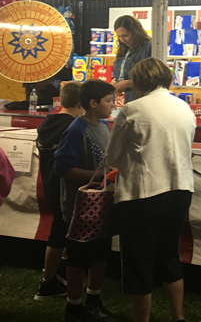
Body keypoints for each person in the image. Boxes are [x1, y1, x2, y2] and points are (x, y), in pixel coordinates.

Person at [106, 57, 196, 322]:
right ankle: (178, 316)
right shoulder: (184, 108)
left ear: (139, 82)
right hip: (180, 189)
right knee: (169, 254)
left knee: (138, 260)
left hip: (142, 193)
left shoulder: (132, 109)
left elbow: (113, 157)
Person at [54, 80, 115, 322]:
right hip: (80, 206)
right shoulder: (76, 130)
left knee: (100, 253)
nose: (113, 105)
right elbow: (63, 168)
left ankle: (93, 298)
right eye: (109, 101)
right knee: (79, 258)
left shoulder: (104, 126)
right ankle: (74, 305)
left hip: (102, 202)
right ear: (93, 103)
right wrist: (96, 176)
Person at [34, 82, 82, 300]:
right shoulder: (72, 128)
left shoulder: (48, 123)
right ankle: (48, 282)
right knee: (59, 233)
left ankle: (56, 275)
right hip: (64, 187)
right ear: (81, 103)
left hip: (50, 183)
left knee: (61, 231)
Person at [112, 15, 152, 104]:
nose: (122, 40)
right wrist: (115, 80)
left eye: (125, 35)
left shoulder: (149, 47)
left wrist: (129, 83)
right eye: (119, 36)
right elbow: (122, 71)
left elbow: (155, 79)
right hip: (120, 100)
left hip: (139, 100)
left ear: (135, 32)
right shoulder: (123, 49)